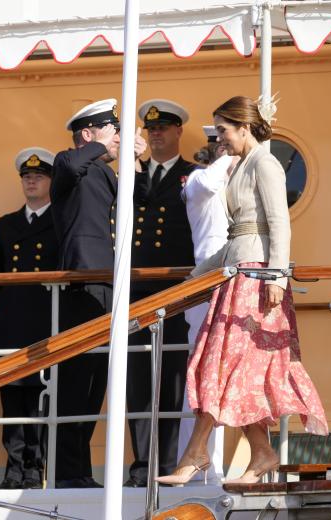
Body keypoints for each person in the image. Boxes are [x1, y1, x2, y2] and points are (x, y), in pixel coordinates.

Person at [157, 96, 328, 486]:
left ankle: (194, 454)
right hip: (239, 275)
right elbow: (234, 240)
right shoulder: (241, 167)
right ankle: (262, 453)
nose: (221, 139)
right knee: (236, 369)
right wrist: (194, 278)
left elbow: (278, 225)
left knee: (223, 363)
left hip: (258, 280)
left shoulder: (265, 163)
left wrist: (277, 278)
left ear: (244, 128)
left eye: (224, 131)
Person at [50, 98, 146, 488]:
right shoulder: (67, 163)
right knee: (78, 380)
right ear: (88, 134)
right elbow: (73, 165)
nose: (119, 138)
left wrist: (135, 162)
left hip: (111, 283)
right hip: (83, 281)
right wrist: (101, 147)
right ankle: (69, 472)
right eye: (113, 130)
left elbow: (135, 202)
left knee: (98, 384)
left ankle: (79, 471)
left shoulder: (104, 174)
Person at [126, 99, 196, 486]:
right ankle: (141, 466)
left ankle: (166, 463)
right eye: (150, 129)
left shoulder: (192, 175)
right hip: (137, 290)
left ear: (177, 131)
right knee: (138, 380)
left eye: (163, 128)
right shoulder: (133, 175)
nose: (155, 134)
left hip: (177, 290)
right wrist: (134, 168)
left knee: (170, 379)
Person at [0, 148, 58, 490]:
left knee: (40, 397)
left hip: (45, 318)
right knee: (11, 398)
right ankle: (13, 470)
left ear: (51, 182)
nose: (31, 181)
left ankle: (35, 468)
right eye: (27, 177)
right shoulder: (7, 223)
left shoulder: (61, 220)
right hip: (10, 318)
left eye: (38, 176)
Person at [176, 127, 239, 484]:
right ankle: (201, 468)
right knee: (203, 379)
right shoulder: (198, 182)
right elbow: (212, 182)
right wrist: (237, 147)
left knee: (237, 376)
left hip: (239, 288)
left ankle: (232, 461)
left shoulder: (243, 187)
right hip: (208, 290)